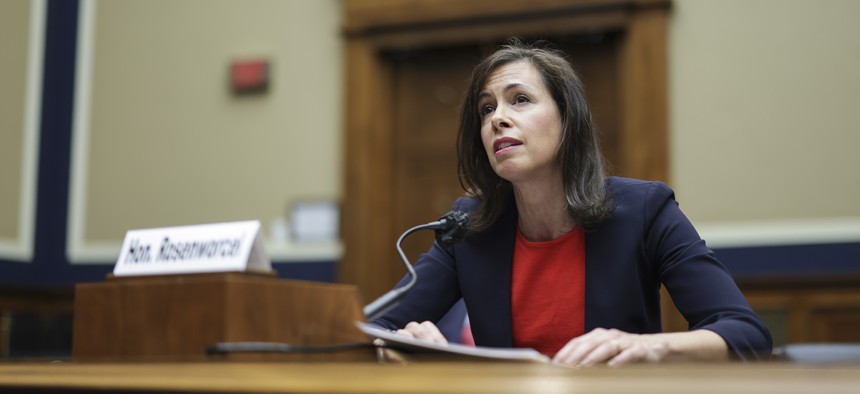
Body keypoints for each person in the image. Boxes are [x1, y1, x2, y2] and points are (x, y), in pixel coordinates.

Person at [371, 39, 772, 366]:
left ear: (568, 120)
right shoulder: (469, 226)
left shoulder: (644, 210)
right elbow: (379, 326)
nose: (498, 118)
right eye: (487, 108)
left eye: (521, 100)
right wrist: (404, 344)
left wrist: (654, 347)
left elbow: (747, 333)